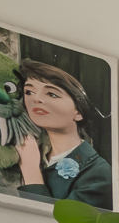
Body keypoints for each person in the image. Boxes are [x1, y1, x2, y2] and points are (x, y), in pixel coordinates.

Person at [15, 60, 113, 208]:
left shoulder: (99, 174)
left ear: (78, 112)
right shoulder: (24, 150)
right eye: (29, 92)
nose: (36, 99)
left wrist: (31, 172)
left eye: (52, 94)